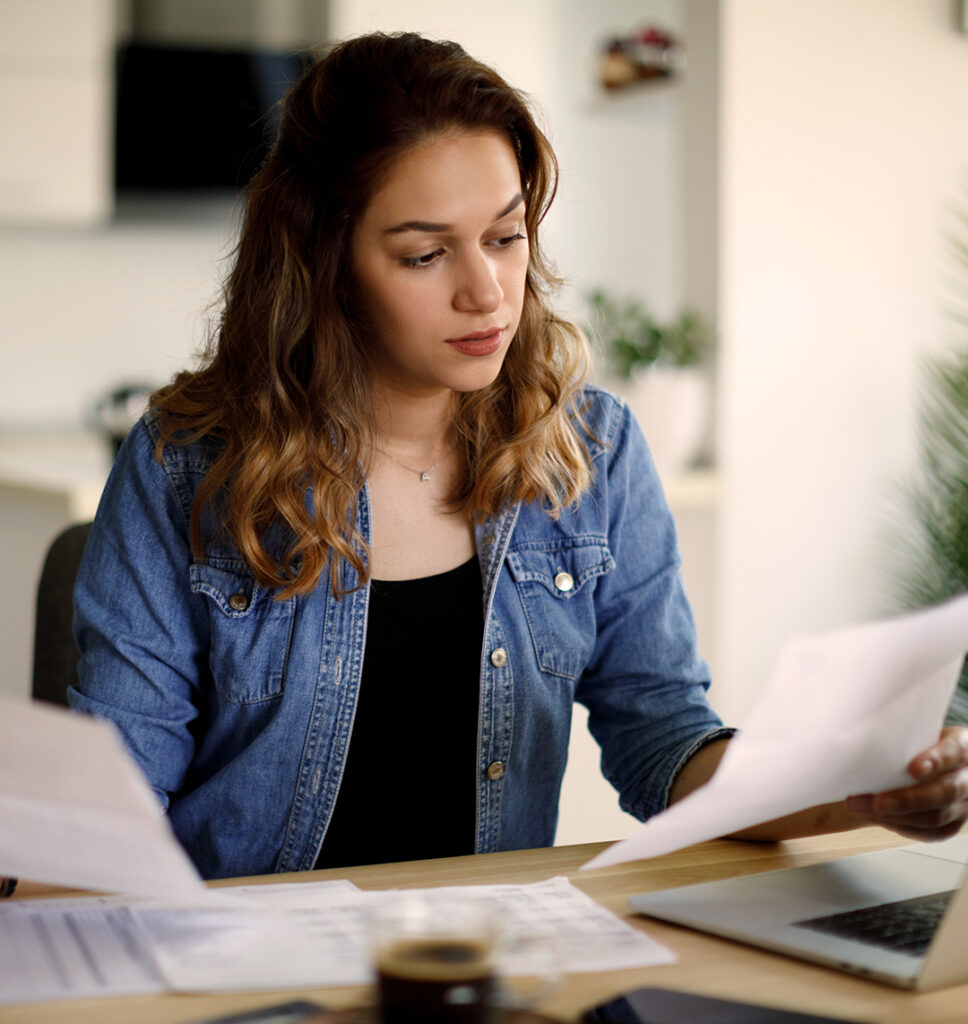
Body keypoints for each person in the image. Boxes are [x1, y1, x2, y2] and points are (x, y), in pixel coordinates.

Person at [57, 31, 967, 882]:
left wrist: (854, 794)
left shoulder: (591, 456)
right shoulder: (189, 465)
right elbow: (116, 798)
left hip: (494, 966)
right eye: (424, 255)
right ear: (324, 262)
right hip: (249, 973)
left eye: (505, 236)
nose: (486, 291)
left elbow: (663, 737)